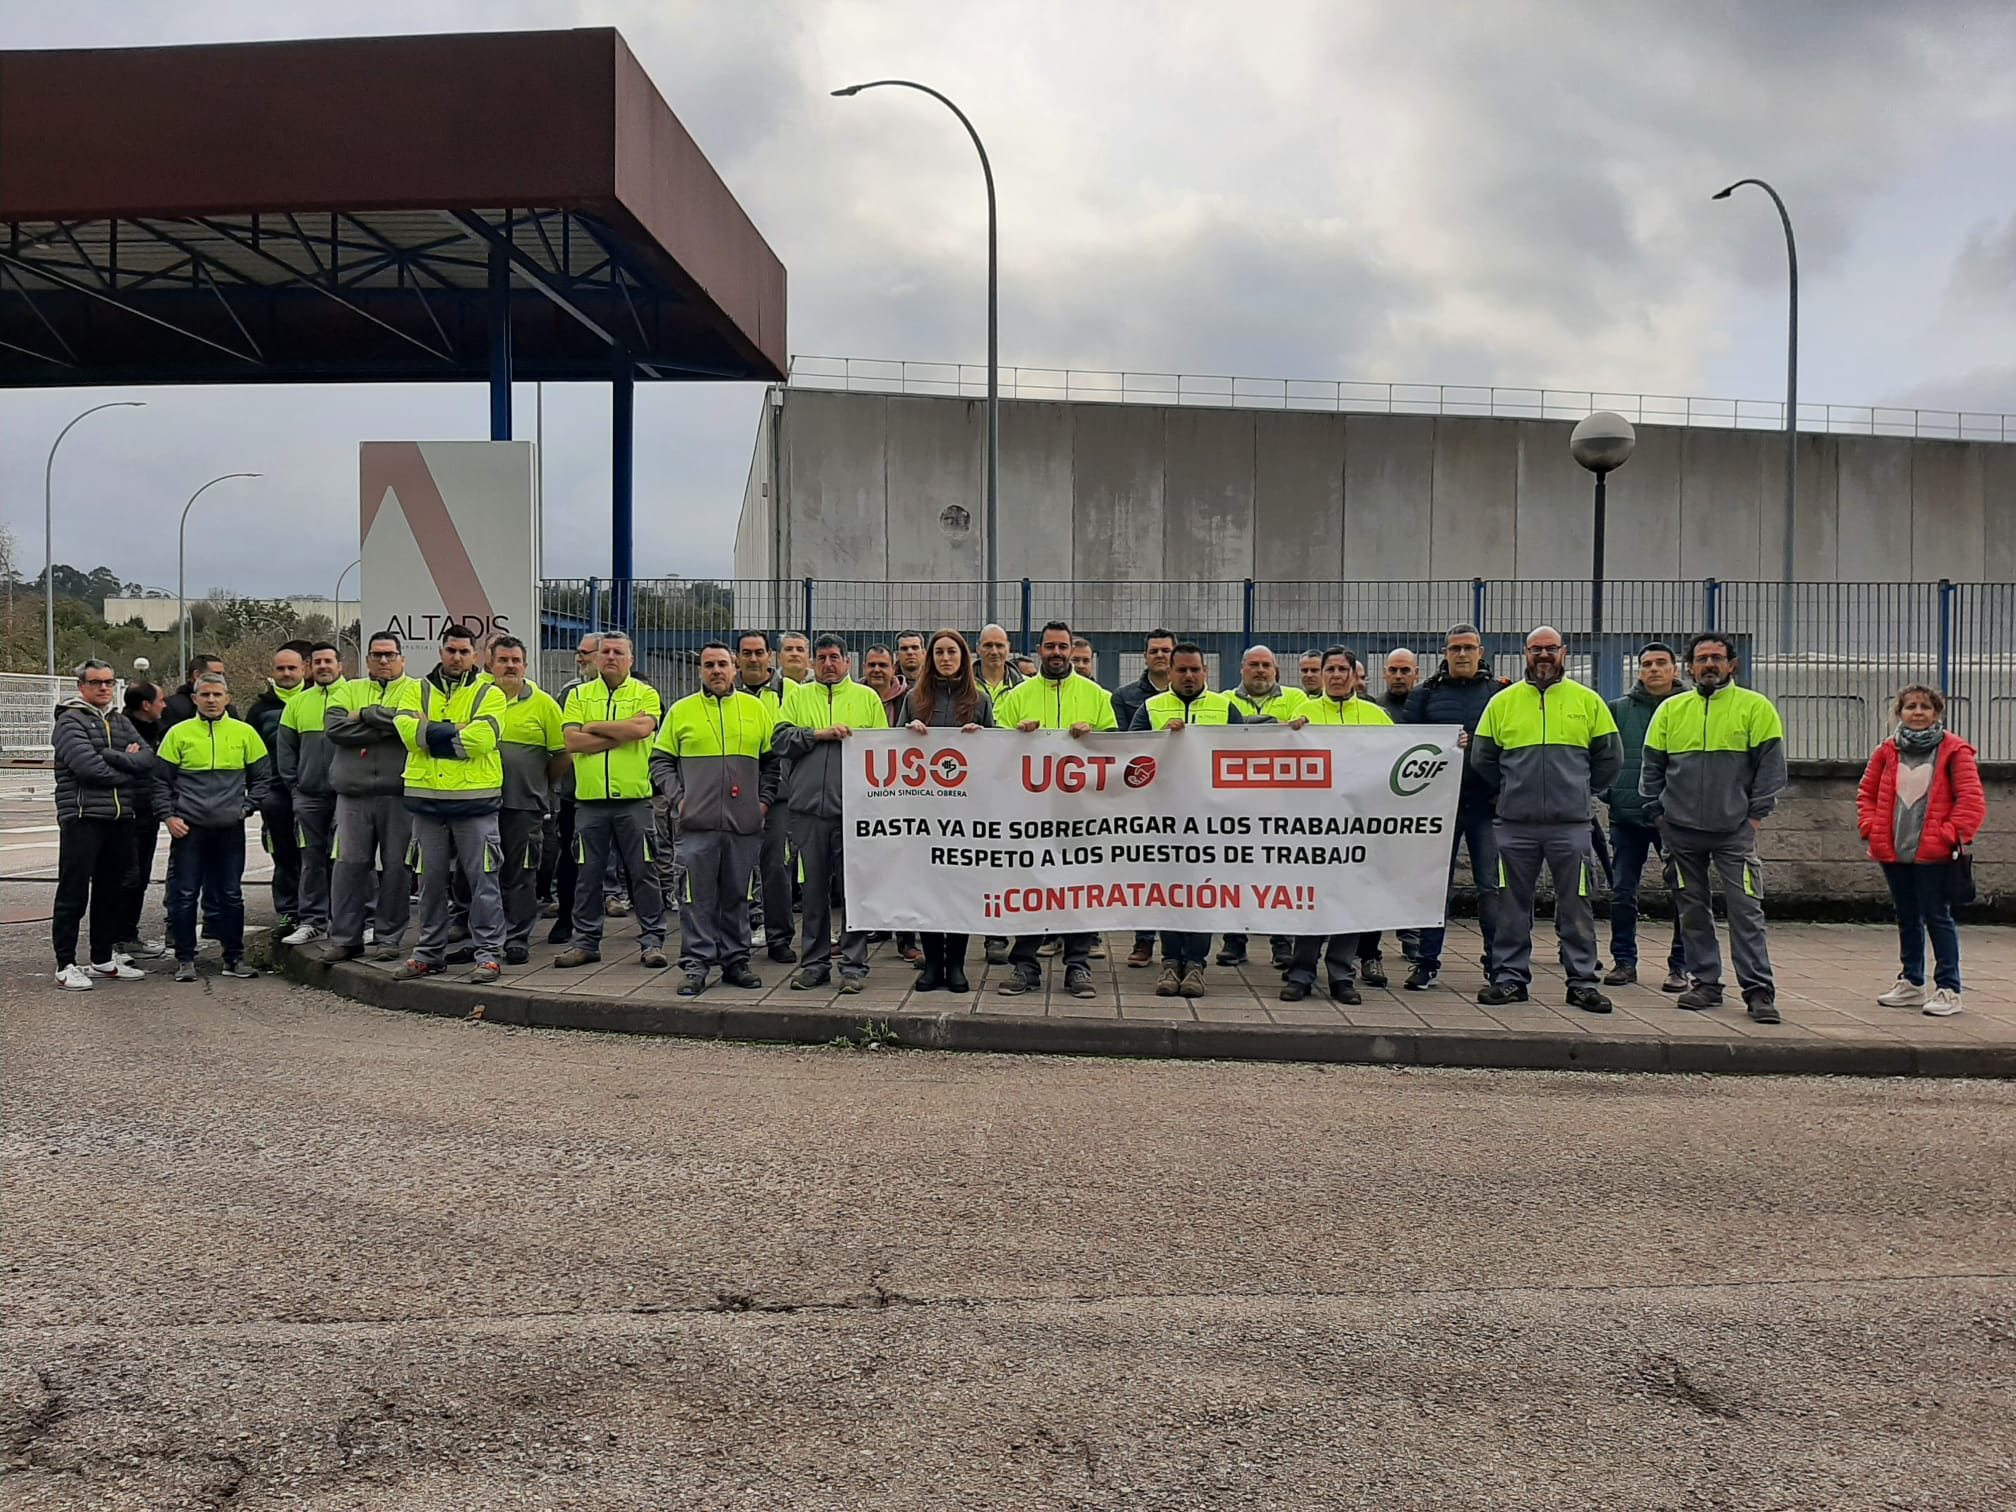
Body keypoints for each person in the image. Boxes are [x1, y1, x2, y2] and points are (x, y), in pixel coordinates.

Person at [1470, 627, 1621, 1014]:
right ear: (1525, 653)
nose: (1543, 655)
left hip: (1570, 825)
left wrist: (1580, 791)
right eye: (1536, 649)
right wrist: (1506, 794)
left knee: (1577, 906)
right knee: (1511, 906)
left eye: (1550, 649)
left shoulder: (1588, 702)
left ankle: (1583, 983)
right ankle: (1509, 979)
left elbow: (1610, 759)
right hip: (1514, 824)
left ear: (1564, 652)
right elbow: (1483, 759)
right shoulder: (1502, 703)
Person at [1641, 633, 1788, 1023]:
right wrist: (1660, 814)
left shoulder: (1755, 708)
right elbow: (1651, 769)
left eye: (1717, 658)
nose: (1709, 665)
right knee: (1692, 910)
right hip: (1681, 831)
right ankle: (1705, 982)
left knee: (1746, 910)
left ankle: (1758, 991)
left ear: (1732, 664)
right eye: (1702, 658)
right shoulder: (1671, 710)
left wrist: (1754, 816)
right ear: (1689, 666)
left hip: (1734, 833)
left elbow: (1771, 772)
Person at [994, 622, 1116, 998]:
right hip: (1030, 811)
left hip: (1079, 811)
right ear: (1039, 649)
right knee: (1030, 885)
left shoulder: (1097, 696)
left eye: (1063, 646)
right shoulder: (1018, 695)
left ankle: (1077, 967)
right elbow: (994, 744)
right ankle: (1024, 965)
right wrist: (1017, 733)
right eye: (1050, 646)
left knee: (1077, 888)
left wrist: (1094, 735)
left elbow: (1115, 747)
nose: (1057, 653)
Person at [652, 641, 781, 997]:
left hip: (744, 824)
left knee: (738, 895)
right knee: (695, 897)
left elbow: (772, 763)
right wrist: (680, 799)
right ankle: (695, 965)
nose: (716, 671)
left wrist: (763, 803)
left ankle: (735, 961)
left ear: (735, 668)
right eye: (709, 665)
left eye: (723, 664)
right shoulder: (681, 711)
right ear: (700, 670)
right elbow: (660, 761)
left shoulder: (755, 709)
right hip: (696, 825)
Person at [387, 625, 510, 983]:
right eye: (451, 650)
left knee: (483, 883)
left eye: (463, 651)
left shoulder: (491, 692)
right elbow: (408, 734)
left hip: (476, 802)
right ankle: (428, 955)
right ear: (441, 652)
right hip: (426, 803)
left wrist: (431, 733)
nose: (457, 657)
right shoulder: (415, 689)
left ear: (475, 656)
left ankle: (487, 955)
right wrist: (456, 729)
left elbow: (482, 739)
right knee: (429, 883)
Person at [1857, 684, 1984, 1018]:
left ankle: (1949, 988)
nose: (1917, 712)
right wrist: (1870, 828)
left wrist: (1947, 835)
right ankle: (1912, 981)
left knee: (1937, 917)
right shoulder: (1886, 751)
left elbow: (1971, 801)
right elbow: (1866, 793)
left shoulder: (1955, 751)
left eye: (1925, 707)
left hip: (1934, 853)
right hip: (1894, 851)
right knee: (1907, 917)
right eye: (1910, 706)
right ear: (1899, 712)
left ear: (1937, 713)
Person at [1129, 641, 1244, 998]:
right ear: (1170, 672)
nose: (1189, 676)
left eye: (1196, 669)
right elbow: (1131, 759)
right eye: (1182, 670)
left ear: (1206, 671)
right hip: (1163, 822)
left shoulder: (1226, 708)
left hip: (1209, 823)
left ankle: (1195, 964)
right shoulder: (1150, 708)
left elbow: (1245, 756)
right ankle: (1169, 961)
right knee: (1169, 892)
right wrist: (1163, 741)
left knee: (1201, 892)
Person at [774, 634, 889, 991]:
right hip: (807, 811)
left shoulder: (867, 698)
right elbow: (780, 741)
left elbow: (883, 751)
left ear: (847, 663)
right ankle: (815, 964)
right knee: (812, 892)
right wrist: (817, 735)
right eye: (821, 657)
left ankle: (853, 967)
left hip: (854, 812)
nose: (828, 664)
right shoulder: (797, 698)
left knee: (852, 891)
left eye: (835, 657)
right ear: (812, 663)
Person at [1399, 623, 1508, 992]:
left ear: (1481, 652)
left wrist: (1474, 744)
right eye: (1454, 648)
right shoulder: (1423, 696)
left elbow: (1508, 745)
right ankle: (1426, 963)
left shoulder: (1500, 694)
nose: (1461, 654)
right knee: (1434, 888)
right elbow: (1406, 747)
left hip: (1486, 807)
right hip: (1437, 808)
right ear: (1444, 654)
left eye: (1468, 648)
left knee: (1489, 888)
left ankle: (1497, 964)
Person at [1280, 647, 1392, 1004]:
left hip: (1358, 827)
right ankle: (1300, 973)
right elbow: (1281, 756)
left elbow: (1399, 758)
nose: (1337, 675)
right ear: (1322, 674)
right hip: (1313, 827)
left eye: (1344, 669)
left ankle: (1342, 976)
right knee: (1311, 902)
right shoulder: (1303, 712)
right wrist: (1289, 735)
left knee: (1350, 903)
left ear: (1356, 675)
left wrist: (1452, 746)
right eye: (1331, 669)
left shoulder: (1377, 716)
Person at [556, 632, 669, 969]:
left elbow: (642, 731)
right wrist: (618, 733)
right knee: (587, 875)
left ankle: (652, 941)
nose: (610, 657)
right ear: (596, 657)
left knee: (644, 874)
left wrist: (594, 727)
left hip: (634, 801)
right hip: (590, 802)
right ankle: (586, 942)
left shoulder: (645, 693)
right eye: (605, 652)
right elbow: (572, 742)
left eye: (618, 652)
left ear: (630, 660)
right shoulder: (578, 694)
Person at [153, 671, 270, 982]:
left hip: (229, 829)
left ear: (227, 699)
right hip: (188, 830)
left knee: (231, 894)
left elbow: (263, 779)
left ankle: (234, 958)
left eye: (217, 695)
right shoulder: (178, 734)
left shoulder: (245, 733)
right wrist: (169, 816)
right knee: (185, 894)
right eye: (205, 695)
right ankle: (185, 960)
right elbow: (159, 782)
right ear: (195, 699)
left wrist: (245, 808)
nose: (211, 700)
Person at [897, 628, 996, 993]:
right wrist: (909, 732)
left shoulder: (980, 700)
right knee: (927, 888)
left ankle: (956, 964)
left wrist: (983, 737)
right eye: (939, 652)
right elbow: (893, 748)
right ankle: (932, 964)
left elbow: (997, 754)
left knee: (959, 888)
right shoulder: (914, 698)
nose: (945, 658)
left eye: (952, 652)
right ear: (930, 658)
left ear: (964, 657)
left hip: (967, 813)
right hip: (924, 813)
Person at [51, 660, 156, 990]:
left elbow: (148, 758)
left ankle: (101, 958)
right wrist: (126, 763)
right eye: (96, 682)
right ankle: (65, 963)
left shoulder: (119, 720)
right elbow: (88, 769)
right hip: (82, 817)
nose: (103, 688)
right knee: (74, 891)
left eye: (109, 682)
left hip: (119, 817)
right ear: (81, 686)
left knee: (112, 890)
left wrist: (114, 757)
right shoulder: (69, 722)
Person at [323, 632, 422, 962]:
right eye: (377, 655)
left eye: (390, 655)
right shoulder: (348, 689)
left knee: (397, 868)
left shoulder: (416, 690)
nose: (383, 661)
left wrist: (363, 715)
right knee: (349, 866)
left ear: (402, 659)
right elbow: (336, 729)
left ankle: (388, 938)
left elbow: (413, 728)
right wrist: (389, 720)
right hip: (353, 795)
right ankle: (345, 938)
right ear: (366, 660)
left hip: (400, 795)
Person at [1210, 644, 1305, 969]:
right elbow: (1221, 736)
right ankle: (1234, 943)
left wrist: (1249, 726)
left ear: (1276, 669)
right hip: (1235, 804)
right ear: (1242, 669)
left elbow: (1302, 735)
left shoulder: (1297, 698)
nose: (1261, 670)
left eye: (1266, 665)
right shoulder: (1223, 701)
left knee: (1279, 874)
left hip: (1280, 803)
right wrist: (1272, 724)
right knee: (1235, 873)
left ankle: (1282, 944)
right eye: (1254, 664)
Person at [1602, 643, 1689, 992]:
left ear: (1675, 669)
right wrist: (1608, 792)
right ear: (1639, 671)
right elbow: (1602, 753)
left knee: (1683, 893)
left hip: (1675, 819)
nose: (1654, 669)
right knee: (1622, 892)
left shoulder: (1689, 709)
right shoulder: (1618, 710)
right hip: (1626, 816)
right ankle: (1624, 962)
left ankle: (1680, 966)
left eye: (1661, 663)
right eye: (1647, 664)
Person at [485, 635, 568, 966]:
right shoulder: (478, 699)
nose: (509, 666)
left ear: (525, 665)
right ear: (490, 665)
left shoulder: (544, 703)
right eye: (503, 660)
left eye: (515, 660)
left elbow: (562, 754)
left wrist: (539, 782)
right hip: (480, 802)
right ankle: (484, 936)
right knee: (482, 872)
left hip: (524, 805)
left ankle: (517, 938)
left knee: (521, 873)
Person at [1112, 627, 1177, 967]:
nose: (1160, 656)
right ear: (1145, 656)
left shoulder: (1203, 698)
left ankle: (1177, 945)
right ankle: (1144, 941)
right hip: (1145, 794)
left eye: (1166, 650)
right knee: (1146, 869)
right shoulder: (1125, 696)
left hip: (1183, 797)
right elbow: (1126, 744)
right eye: (1154, 650)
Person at [734, 631, 797, 965]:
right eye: (747, 653)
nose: (754, 659)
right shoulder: (726, 695)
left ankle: (779, 939)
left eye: (760, 652)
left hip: (779, 797)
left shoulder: (791, 693)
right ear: (738, 658)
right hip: (732, 795)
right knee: (733, 869)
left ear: (771, 656)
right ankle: (735, 939)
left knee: (775, 869)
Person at [277, 643, 346, 948]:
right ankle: (312, 921)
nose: (323, 667)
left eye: (328, 661)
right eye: (317, 662)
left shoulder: (353, 696)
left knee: (351, 861)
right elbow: (286, 750)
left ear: (340, 665)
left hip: (347, 796)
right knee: (311, 861)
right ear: (310, 667)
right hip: (309, 797)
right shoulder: (298, 703)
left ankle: (356, 921)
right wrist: (295, 788)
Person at [248, 643, 309, 932]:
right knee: (284, 856)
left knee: (317, 856)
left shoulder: (317, 700)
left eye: (292, 668)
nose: (286, 673)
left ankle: (318, 913)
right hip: (275, 794)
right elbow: (250, 753)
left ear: (304, 670)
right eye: (281, 668)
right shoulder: (260, 710)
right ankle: (288, 913)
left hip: (312, 791)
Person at [112, 681, 169, 961]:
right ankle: (118, 939)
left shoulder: (157, 730)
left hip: (149, 813)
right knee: (128, 877)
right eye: (160, 699)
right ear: (146, 705)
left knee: (141, 876)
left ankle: (127, 936)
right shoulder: (121, 730)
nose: (165, 705)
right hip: (126, 813)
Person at [162, 653, 226, 729]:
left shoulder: (228, 709)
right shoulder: (172, 707)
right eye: (216, 674)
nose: (221, 678)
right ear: (197, 675)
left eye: (223, 675)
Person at [862, 644, 909, 730]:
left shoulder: (909, 698)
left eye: (882, 665)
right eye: (872, 665)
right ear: (864, 668)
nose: (876, 670)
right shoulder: (853, 697)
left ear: (893, 669)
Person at [975, 623, 1024, 702]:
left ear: (1008, 648)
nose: (994, 652)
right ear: (978, 648)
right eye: (988, 645)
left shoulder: (1024, 685)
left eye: (999, 646)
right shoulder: (964, 685)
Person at [1379, 649, 1419, 717]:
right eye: (1392, 670)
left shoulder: (1426, 708)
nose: (1398, 676)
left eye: (1405, 670)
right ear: (1385, 673)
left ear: (1416, 673)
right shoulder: (1375, 707)